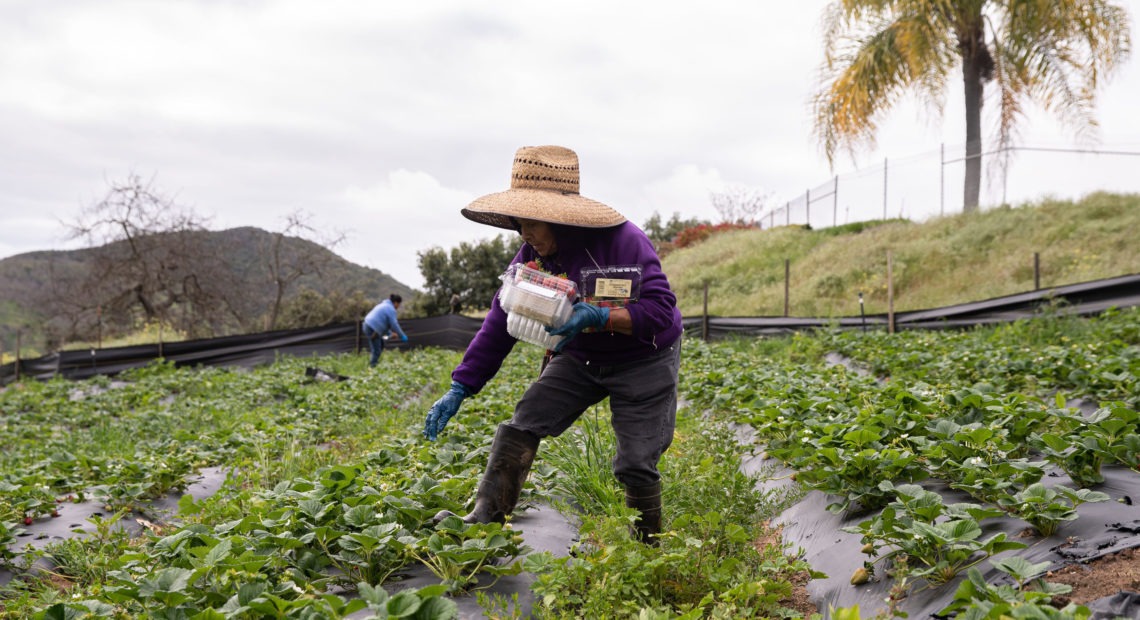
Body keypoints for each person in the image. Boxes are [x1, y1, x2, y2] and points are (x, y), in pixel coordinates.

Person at [422, 145, 683, 544]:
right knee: (523, 422)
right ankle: (485, 519)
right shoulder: (531, 255)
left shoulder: (622, 241)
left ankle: (647, 545)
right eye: (517, 223)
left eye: (531, 223)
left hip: (643, 358)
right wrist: (462, 385)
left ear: (558, 218)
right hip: (581, 356)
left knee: (635, 461)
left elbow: (661, 312)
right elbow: (500, 320)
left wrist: (601, 315)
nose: (523, 233)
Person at [362, 294, 407, 367]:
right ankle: (372, 367)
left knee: (382, 343)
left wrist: (391, 334)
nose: (398, 307)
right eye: (399, 304)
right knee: (376, 350)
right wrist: (402, 336)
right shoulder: (390, 309)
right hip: (372, 328)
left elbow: (384, 326)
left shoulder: (383, 305)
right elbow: (394, 324)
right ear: (396, 302)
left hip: (369, 326)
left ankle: (374, 363)